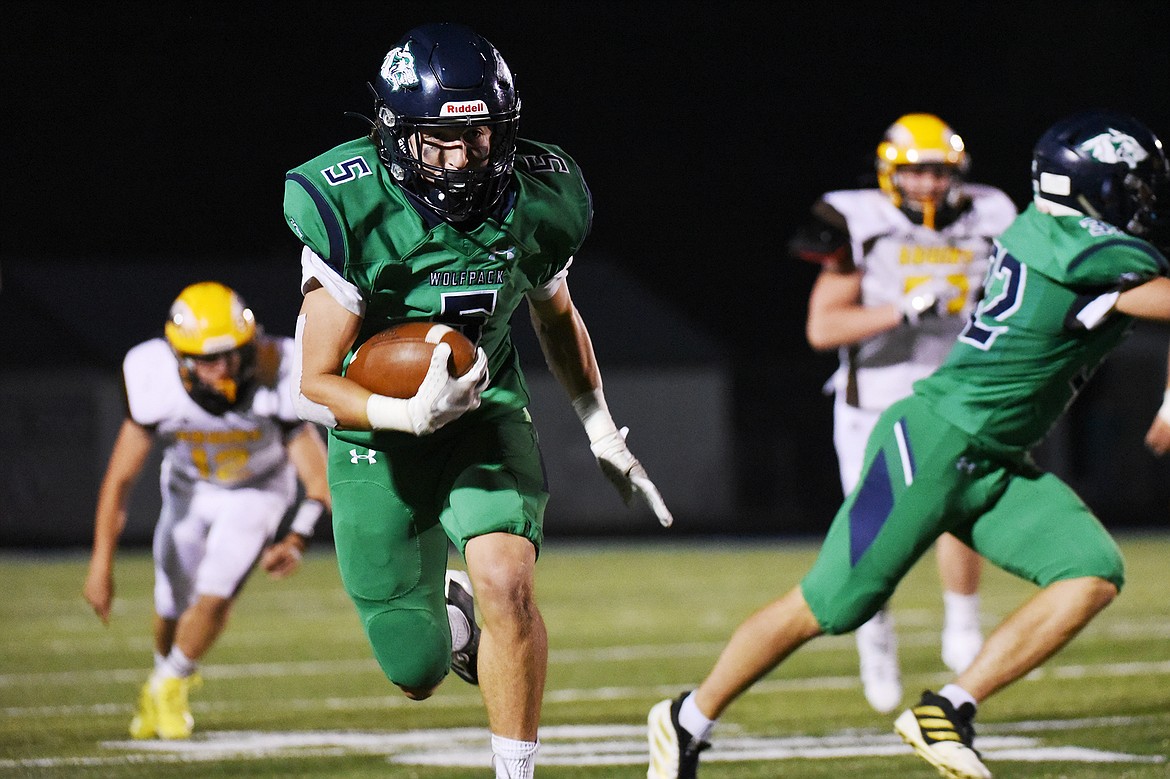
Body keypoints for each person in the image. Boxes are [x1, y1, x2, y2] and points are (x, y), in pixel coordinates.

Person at [648, 109, 1170, 779]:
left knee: (1091, 570)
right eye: (1135, 186)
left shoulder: (1040, 229)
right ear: (1093, 190)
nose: (1145, 201)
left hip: (994, 459)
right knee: (830, 604)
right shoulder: (1087, 253)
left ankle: (947, 709)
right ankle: (687, 717)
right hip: (932, 440)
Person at [283, 22, 672, 779]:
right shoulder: (350, 205)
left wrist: (599, 428)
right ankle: (454, 626)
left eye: (482, 137)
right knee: (414, 670)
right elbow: (315, 383)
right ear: (396, 137)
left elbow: (555, 315)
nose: (463, 161)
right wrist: (403, 413)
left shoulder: (538, 195)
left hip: (481, 414)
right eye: (440, 143)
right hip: (375, 437)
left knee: (508, 577)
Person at [790, 113, 1018, 712]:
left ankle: (963, 623)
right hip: (875, 395)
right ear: (891, 173)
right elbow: (823, 327)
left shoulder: (991, 214)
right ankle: (876, 639)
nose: (928, 183)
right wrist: (901, 311)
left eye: (938, 171)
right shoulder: (859, 220)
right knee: (870, 531)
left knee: (958, 507)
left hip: (955, 389)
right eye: (915, 170)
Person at [83, 281, 331, 740]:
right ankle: (163, 678)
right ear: (179, 358)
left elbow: (320, 480)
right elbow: (119, 479)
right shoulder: (152, 377)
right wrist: (101, 564)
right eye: (208, 358)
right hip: (188, 490)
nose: (223, 368)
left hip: (257, 490)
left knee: (216, 591)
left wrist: (296, 538)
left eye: (233, 353)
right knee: (171, 602)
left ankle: (170, 683)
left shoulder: (279, 372)